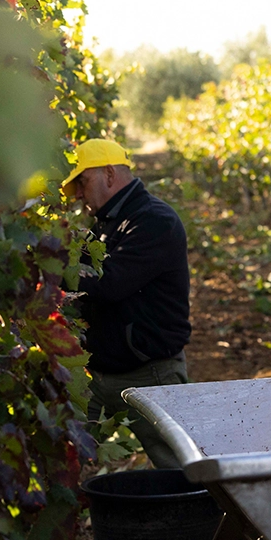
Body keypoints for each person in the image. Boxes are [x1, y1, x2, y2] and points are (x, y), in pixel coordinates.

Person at [63, 138, 192, 469]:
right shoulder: (105, 222)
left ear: (108, 174)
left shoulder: (153, 220)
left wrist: (50, 267)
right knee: (62, 457)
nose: (78, 195)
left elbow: (109, 283)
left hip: (149, 374)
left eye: (82, 182)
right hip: (96, 372)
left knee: (181, 470)